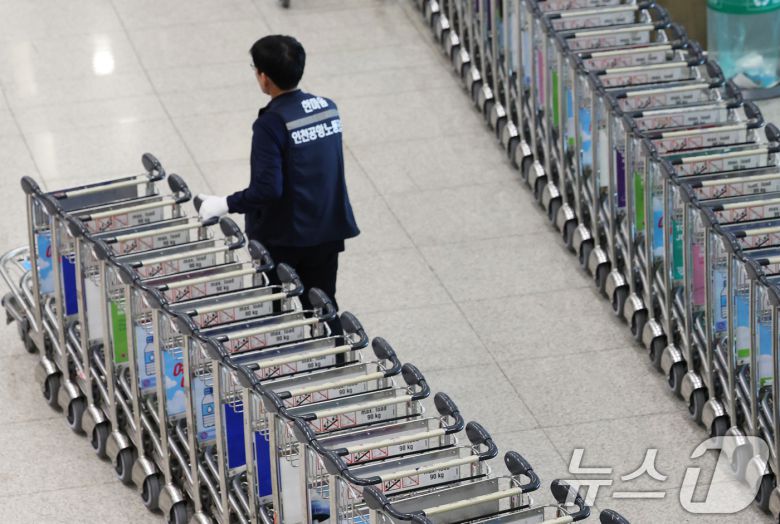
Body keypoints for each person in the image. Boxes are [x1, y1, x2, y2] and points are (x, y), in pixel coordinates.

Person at [198, 35, 360, 333]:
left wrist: (224, 204)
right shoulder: (327, 108)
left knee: (273, 304)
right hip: (326, 227)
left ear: (264, 77)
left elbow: (268, 189)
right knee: (323, 306)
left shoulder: (271, 124)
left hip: (284, 236)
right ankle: (338, 353)